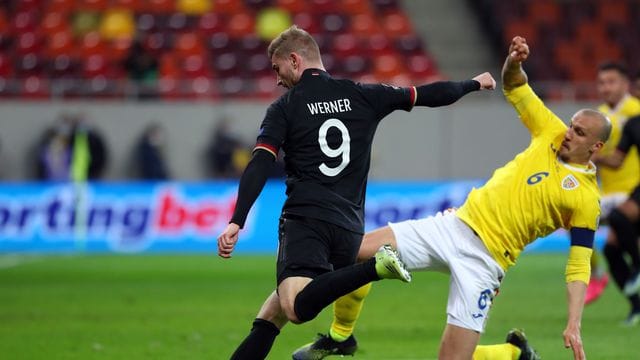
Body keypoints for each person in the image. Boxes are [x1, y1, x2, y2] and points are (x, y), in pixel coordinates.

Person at [293, 35, 610, 360]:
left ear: (596, 147)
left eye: (580, 133)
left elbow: (579, 263)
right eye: (572, 126)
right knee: (354, 250)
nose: (569, 133)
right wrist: (514, 62)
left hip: (486, 261)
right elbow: (515, 87)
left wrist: (574, 322)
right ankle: (340, 337)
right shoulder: (551, 132)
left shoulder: (586, 199)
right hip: (453, 226)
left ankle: (512, 354)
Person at [216, 25, 496, 360]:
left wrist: (237, 219)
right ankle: (362, 281)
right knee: (270, 316)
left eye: (277, 69)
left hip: (307, 221)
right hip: (349, 231)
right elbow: (429, 94)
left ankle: (374, 268)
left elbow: (260, 163)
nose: (277, 79)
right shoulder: (362, 95)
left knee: (293, 307)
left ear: (294, 59)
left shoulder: (285, 108)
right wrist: (473, 84)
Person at [584, 62, 640, 304]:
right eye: (601, 82)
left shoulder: (635, 110)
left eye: (611, 81)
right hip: (608, 192)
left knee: (614, 239)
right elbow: (604, 158)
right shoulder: (598, 116)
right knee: (574, 219)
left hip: (632, 190)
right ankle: (597, 275)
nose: (605, 87)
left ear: (625, 84)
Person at [594, 113, 640, 326]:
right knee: (612, 250)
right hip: (633, 193)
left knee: (619, 217)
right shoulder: (632, 123)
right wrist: (594, 155)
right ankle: (636, 305)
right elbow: (617, 160)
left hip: (631, 194)